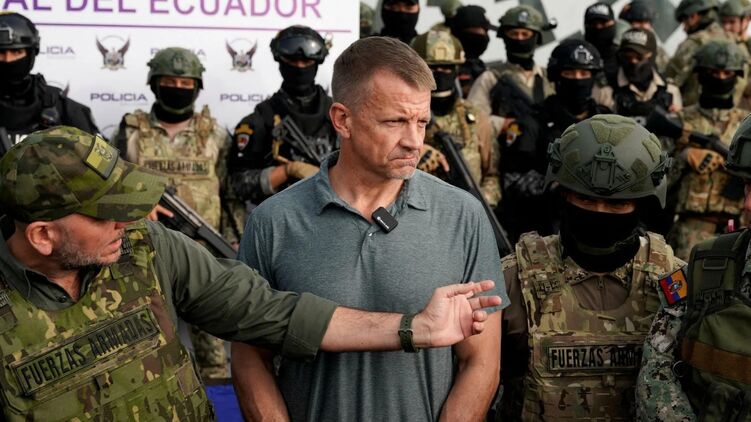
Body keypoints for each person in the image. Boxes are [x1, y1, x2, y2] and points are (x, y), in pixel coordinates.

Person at [0, 125, 502, 421]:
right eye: (105, 215)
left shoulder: (148, 248)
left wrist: (414, 328)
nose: (127, 223)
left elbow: (270, 313)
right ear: (43, 235)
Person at [231, 36, 508, 422]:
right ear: (342, 119)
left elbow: (481, 362)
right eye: (395, 121)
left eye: (422, 122)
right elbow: (249, 360)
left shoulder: (462, 215)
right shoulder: (273, 222)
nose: (414, 142)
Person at [499, 114, 682, 421]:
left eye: (617, 204)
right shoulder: (513, 279)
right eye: (585, 199)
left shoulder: (674, 282)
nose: (599, 213)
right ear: (563, 196)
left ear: (641, 204)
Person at [111, 47, 237, 381]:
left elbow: (230, 193)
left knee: (213, 347)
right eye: (169, 81)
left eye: (185, 83)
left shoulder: (215, 133)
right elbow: (111, 188)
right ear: (154, 84)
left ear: (197, 87)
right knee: (145, 343)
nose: (177, 88)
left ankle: (217, 399)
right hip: (143, 252)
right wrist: (138, 203)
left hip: (205, 253)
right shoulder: (131, 131)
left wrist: (234, 240)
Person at [635, 113, 751, 421]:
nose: (748, 204)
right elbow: (657, 367)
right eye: (748, 187)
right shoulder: (706, 267)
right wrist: (685, 155)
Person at [499, 39, 611, 242]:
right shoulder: (532, 122)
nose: (578, 80)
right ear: (556, 76)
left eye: (584, 73)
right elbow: (513, 181)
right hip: (545, 233)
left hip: (603, 227)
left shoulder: (608, 121)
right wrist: (559, 186)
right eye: (570, 73)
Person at [228, 25, 338, 206]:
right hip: (282, 216)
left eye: (306, 61)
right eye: (292, 61)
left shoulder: (339, 115)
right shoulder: (260, 120)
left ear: (317, 61)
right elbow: (237, 185)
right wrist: (288, 171)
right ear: (279, 60)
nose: (299, 67)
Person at [667, 39, 750, 260]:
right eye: (713, 73)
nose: (720, 78)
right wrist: (684, 157)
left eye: (727, 73)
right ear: (700, 75)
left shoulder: (746, 125)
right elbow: (656, 183)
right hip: (690, 232)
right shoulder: (679, 121)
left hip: (740, 231)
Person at [411, 29, 501, 207]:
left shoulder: (475, 116)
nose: (439, 72)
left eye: (447, 67)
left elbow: (492, 175)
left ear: (456, 69)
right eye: (432, 67)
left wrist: (480, 205)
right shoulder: (403, 115)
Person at [0, 12, 98, 149]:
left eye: (17, 52)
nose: (8, 60)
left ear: (32, 53)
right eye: (1, 53)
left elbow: (103, 160)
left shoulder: (61, 107)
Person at [467, 5, 555, 140]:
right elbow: (472, 120)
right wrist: (504, 124)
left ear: (536, 37)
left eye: (525, 34)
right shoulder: (491, 77)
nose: (519, 39)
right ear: (504, 37)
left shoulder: (550, 77)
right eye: (514, 34)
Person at [597, 28, 682, 122]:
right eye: (627, 57)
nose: (633, 61)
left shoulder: (670, 90)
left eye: (639, 57)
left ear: (651, 56)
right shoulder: (605, 90)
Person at [666, 0, 731, 107]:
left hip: (693, 111)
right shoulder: (731, 39)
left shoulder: (693, 43)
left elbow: (670, 78)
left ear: (694, 16)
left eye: (684, 21)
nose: (684, 28)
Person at [449, 5, 495, 98]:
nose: (483, 36)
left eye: (484, 32)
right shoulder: (446, 70)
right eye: (475, 32)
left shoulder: (484, 69)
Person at [617, 0, 671, 72]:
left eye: (646, 22)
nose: (643, 26)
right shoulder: (617, 45)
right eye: (638, 21)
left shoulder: (657, 50)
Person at [584, 2, 620, 88]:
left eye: (603, 23)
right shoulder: (581, 57)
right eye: (593, 24)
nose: (598, 27)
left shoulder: (625, 54)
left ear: (613, 23)